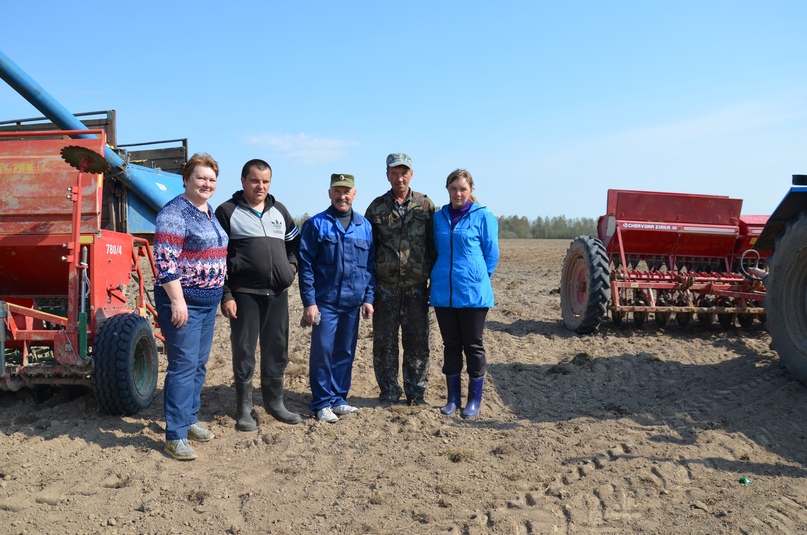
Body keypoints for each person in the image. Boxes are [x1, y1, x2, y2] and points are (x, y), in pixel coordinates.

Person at [215, 159, 302, 431]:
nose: (260, 186)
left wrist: (290, 269)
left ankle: (275, 403)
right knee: (244, 351)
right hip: (244, 294)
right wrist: (226, 295)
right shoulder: (227, 212)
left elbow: (294, 245)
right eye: (255, 181)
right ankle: (243, 409)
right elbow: (216, 259)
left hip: (277, 293)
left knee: (277, 348)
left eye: (265, 182)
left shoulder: (280, 211)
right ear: (243, 181)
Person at [153, 153, 228, 460]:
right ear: (185, 179)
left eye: (211, 179)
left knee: (198, 364)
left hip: (208, 302)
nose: (206, 183)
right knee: (182, 368)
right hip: (184, 303)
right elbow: (164, 261)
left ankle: (190, 418)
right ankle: (175, 435)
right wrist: (177, 300)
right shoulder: (175, 213)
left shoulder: (209, 212)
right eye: (200, 177)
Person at [298, 173, 375, 423]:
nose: (342, 196)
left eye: (347, 191)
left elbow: (370, 267)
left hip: (353, 303)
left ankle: (339, 398)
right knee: (323, 351)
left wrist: (368, 298)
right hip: (325, 303)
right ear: (329, 193)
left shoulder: (364, 226)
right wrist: (310, 302)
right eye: (337, 191)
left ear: (354, 194)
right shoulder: (316, 225)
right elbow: (306, 265)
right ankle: (321, 402)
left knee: (345, 351)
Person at [365, 153, 436, 406]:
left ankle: (416, 393)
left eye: (403, 173)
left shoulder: (426, 205)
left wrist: (431, 284)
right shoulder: (376, 208)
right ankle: (389, 392)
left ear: (411, 174)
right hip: (385, 288)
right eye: (394, 173)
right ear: (387, 175)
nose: (399, 178)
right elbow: (369, 250)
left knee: (418, 343)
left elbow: (433, 246)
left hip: (417, 287)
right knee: (384, 343)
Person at [430, 169, 499, 419]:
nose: (458, 193)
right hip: (444, 292)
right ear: (447, 190)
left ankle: (473, 400)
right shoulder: (438, 218)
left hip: (473, 293)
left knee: (473, 345)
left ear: (471, 190)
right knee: (450, 345)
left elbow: (491, 254)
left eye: (463, 189)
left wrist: (478, 278)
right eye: (453, 189)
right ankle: (452, 399)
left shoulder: (484, 216)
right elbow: (438, 250)